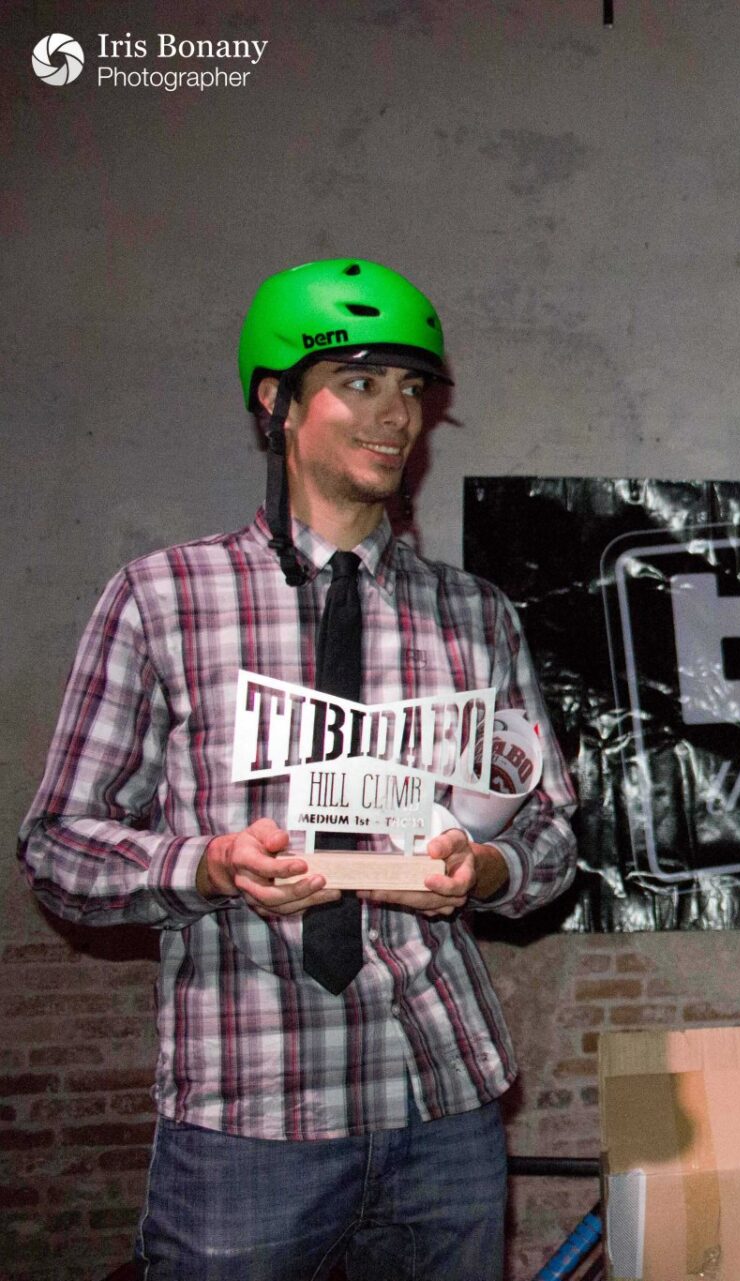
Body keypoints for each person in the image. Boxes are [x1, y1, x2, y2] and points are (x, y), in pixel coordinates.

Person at [18, 258, 578, 1280]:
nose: (396, 415)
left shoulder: (475, 616)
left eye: (412, 388)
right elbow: (60, 848)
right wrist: (208, 865)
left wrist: (489, 868)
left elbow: (550, 830)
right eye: (359, 382)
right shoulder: (163, 601)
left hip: (442, 1100)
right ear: (277, 404)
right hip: (252, 1114)